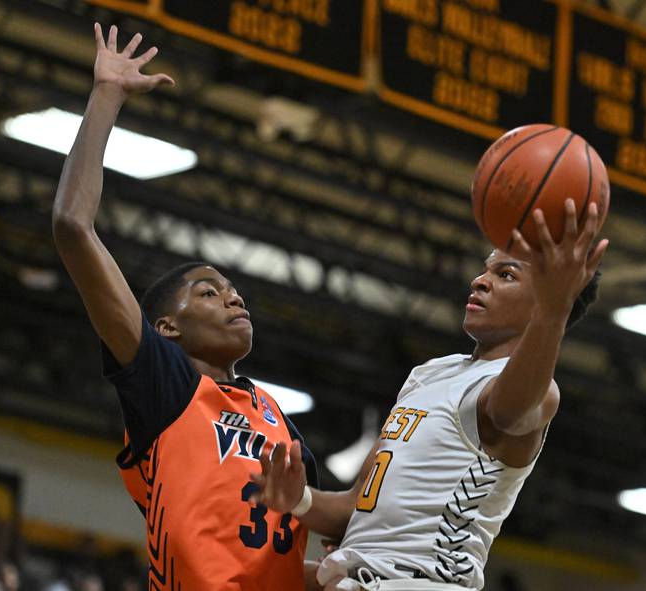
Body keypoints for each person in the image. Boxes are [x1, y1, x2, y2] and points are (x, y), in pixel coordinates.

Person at [52, 24, 318, 591]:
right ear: (165, 328)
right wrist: (107, 96)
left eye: (232, 290)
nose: (233, 296)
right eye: (208, 291)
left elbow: (303, 542)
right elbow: (72, 227)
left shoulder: (280, 423)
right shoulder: (165, 385)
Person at [252, 200, 609, 590]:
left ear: (547, 298)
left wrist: (553, 313)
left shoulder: (536, 393)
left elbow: (511, 412)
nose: (480, 280)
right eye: (486, 268)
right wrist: (299, 500)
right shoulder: (431, 373)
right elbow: (359, 505)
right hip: (360, 576)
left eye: (505, 274)